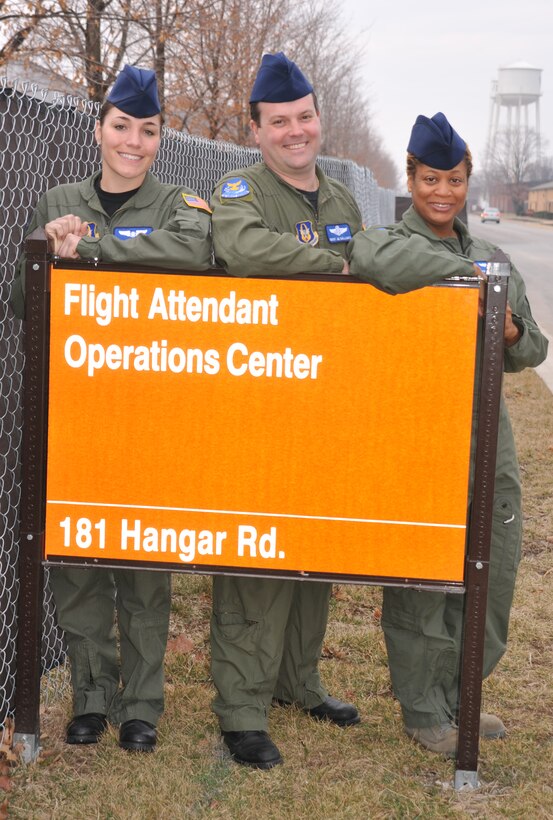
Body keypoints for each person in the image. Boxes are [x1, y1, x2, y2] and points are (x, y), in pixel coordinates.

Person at [11, 65, 212, 752]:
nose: (132, 141)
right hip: (75, 411)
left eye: (147, 130)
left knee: (144, 569)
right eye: (121, 126)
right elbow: (21, 302)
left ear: (160, 138)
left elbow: (193, 255)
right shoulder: (58, 199)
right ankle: (91, 697)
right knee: (78, 566)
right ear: (99, 129)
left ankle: (141, 706)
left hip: (150, 413)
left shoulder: (181, 201)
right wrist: (50, 255)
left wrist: (90, 249)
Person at [348, 112, 548, 757]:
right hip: (419, 432)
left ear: (467, 182)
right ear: (411, 179)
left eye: (455, 180)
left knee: (495, 564)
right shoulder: (388, 242)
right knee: (424, 574)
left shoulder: (492, 255)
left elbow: (533, 347)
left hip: (489, 431)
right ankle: (424, 708)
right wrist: (463, 278)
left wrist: (511, 329)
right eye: (431, 178)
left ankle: (464, 691)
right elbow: (372, 256)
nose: (443, 191)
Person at [209, 52, 363, 770]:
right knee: (256, 559)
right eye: (280, 122)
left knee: (314, 551)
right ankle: (241, 709)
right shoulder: (238, 191)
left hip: (323, 403)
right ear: (257, 129)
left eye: (304, 117)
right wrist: (333, 266)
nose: (295, 131)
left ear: (317, 118)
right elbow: (240, 250)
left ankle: (299, 681)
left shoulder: (341, 199)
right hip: (260, 403)